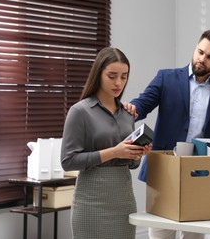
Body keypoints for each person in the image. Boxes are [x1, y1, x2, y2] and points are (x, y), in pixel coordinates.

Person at [124, 28, 210, 239]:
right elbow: (143, 103)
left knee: (194, 235)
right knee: (160, 233)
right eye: (200, 52)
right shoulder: (166, 78)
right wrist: (131, 108)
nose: (202, 59)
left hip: (202, 174)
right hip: (164, 171)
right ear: (196, 47)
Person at [60, 47, 151, 239]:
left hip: (124, 201)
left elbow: (131, 165)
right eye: (112, 76)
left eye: (124, 76)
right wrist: (114, 152)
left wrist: (137, 153)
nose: (119, 83)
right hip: (90, 203)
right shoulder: (80, 111)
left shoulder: (128, 114)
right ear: (98, 73)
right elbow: (68, 161)